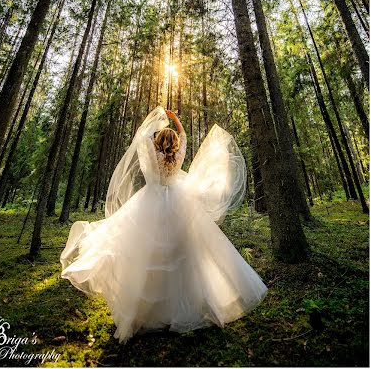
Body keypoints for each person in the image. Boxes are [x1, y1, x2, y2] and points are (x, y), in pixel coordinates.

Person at [60, 106, 268, 343]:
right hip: (179, 202)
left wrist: (156, 120)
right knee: (185, 253)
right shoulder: (178, 156)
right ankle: (185, 306)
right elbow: (185, 137)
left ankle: (148, 311)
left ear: (159, 142)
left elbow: (143, 137)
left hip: (152, 201)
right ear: (175, 143)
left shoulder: (153, 154)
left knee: (148, 254)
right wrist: (175, 119)